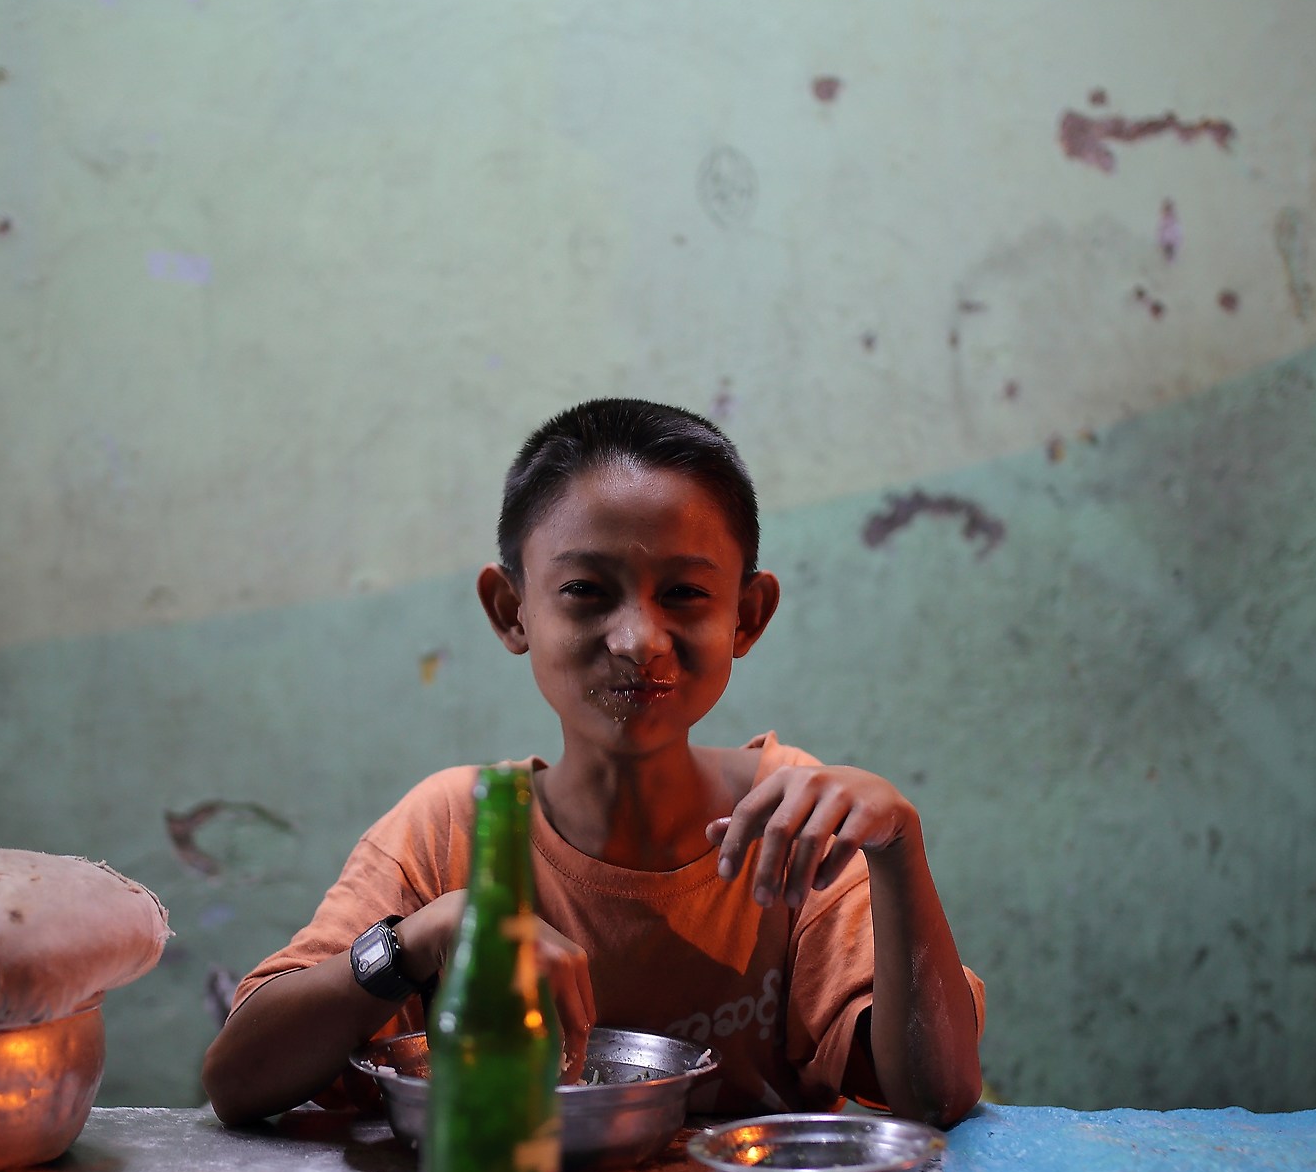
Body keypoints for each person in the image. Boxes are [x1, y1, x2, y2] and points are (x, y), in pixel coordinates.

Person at [201, 399, 985, 1128]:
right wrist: (421, 938)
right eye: (585, 590)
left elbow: (937, 1097)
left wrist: (898, 849)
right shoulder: (454, 829)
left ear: (747, 616)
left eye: (683, 593)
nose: (639, 639)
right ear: (512, 611)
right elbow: (238, 1081)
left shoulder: (798, 826)